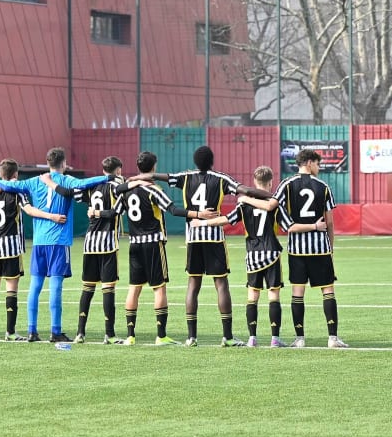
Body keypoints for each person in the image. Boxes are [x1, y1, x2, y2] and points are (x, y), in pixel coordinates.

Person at [134, 145, 269, 347]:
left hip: (193, 237)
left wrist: (138, 177)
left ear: (195, 161)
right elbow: (244, 190)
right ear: (212, 160)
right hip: (214, 237)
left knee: (193, 284)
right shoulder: (221, 178)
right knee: (221, 284)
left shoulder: (186, 177)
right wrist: (268, 196)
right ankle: (228, 337)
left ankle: (191, 337)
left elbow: (163, 176)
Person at [193, 165, 326, 348]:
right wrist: (315, 227)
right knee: (274, 295)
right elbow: (290, 226)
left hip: (252, 254)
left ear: (255, 183)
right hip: (271, 252)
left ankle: (252, 337)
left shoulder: (244, 203)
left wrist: (202, 223)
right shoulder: (273, 203)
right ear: (270, 183)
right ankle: (274, 338)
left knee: (252, 296)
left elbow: (226, 220)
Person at [0, 147, 110, 343]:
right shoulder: (66, 180)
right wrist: (107, 178)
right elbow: (84, 183)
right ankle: (55, 331)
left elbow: (10, 186)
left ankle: (32, 330)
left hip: (39, 242)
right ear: (63, 163)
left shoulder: (34, 181)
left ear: (47, 163)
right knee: (55, 286)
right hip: (58, 242)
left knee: (35, 285)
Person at [111, 151, 194, 345]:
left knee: (134, 288)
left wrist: (96, 212)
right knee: (159, 289)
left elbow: (114, 211)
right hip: (153, 244)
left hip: (134, 245)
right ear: (154, 167)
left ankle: (130, 336)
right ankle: (161, 335)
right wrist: (197, 214)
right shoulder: (154, 190)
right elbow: (173, 209)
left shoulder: (127, 191)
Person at [0, 159, 58, 340]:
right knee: (11, 287)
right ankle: (10, 332)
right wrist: (50, 216)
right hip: (11, 246)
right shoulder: (18, 192)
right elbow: (30, 210)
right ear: (16, 175)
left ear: (0, 174)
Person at [275, 149, 347, 348]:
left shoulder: (286, 185)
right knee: (328, 291)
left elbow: (274, 207)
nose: (319, 167)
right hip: (320, 249)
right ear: (308, 162)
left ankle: (299, 339)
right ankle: (332, 338)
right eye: (317, 163)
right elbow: (330, 222)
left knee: (297, 293)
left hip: (297, 249)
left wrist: (288, 224)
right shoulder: (323, 187)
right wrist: (330, 249)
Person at [70, 156, 124, 344]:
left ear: (102, 170)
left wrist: (92, 209)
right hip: (108, 244)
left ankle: (80, 332)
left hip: (90, 243)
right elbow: (115, 212)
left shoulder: (92, 187)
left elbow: (75, 193)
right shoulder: (118, 187)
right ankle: (109, 334)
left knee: (88, 288)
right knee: (108, 289)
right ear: (118, 170)